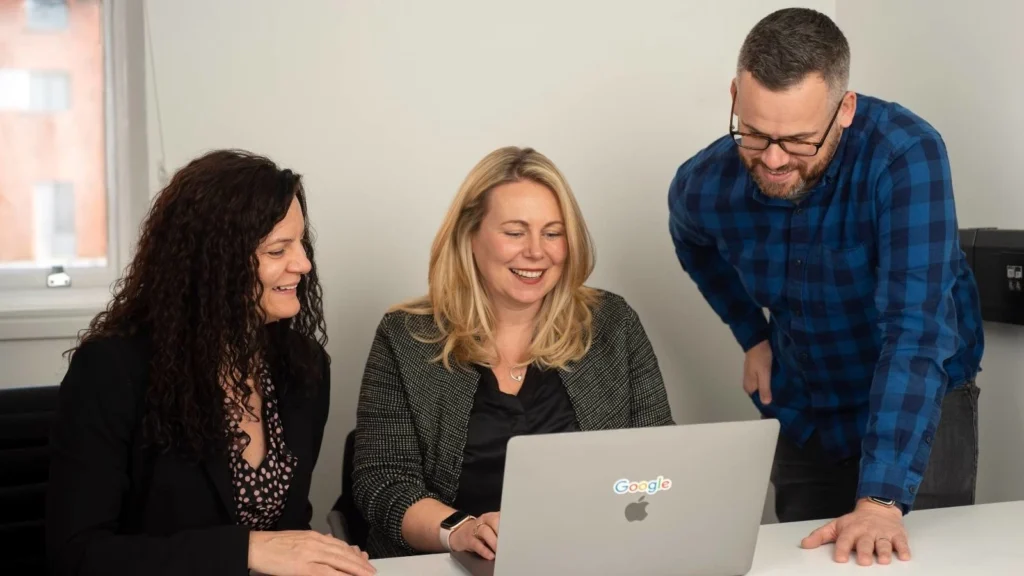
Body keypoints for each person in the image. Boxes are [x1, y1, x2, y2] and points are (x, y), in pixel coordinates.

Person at [667, 7, 984, 567]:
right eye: (755, 132)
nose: (772, 159)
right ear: (736, 95)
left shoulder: (905, 155)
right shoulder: (701, 185)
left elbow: (915, 332)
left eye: (797, 141)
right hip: (807, 408)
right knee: (804, 563)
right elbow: (692, 242)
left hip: (920, 400)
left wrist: (881, 499)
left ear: (845, 110)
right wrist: (751, 335)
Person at [46, 150, 376, 576]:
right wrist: (246, 551)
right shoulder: (112, 370)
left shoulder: (304, 367)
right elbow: (77, 554)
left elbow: (288, 529)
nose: (304, 264)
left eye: (301, 243)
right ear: (213, 265)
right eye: (278, 250)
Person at [351, 146, 674, 559]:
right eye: (515, 232)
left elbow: (658, 457)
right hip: (453, 563)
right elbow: (383, 481)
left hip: (592, 559)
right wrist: (461, 532)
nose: (537, 252)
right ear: (470, 235)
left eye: (553, 233)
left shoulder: (613, 323)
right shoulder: (407, 337)